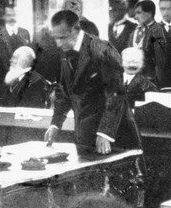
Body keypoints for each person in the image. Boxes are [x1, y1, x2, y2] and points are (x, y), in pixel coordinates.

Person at [43, 10, 140, 154]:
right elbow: (64, 92)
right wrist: (55, 124)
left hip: (115, 136)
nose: (58, 43)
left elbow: (116, 94)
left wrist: (104, 133)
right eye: (56, 38)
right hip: (84, 134)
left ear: (75, 30)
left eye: (62, 38)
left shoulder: (102, 50)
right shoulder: (65, 50)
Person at [0, 6, 31, 86]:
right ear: (3, 17)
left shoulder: (25, 33)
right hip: (5, 81)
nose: (12, 18)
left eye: (13, 15)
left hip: (23, 81)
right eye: (8, 15)